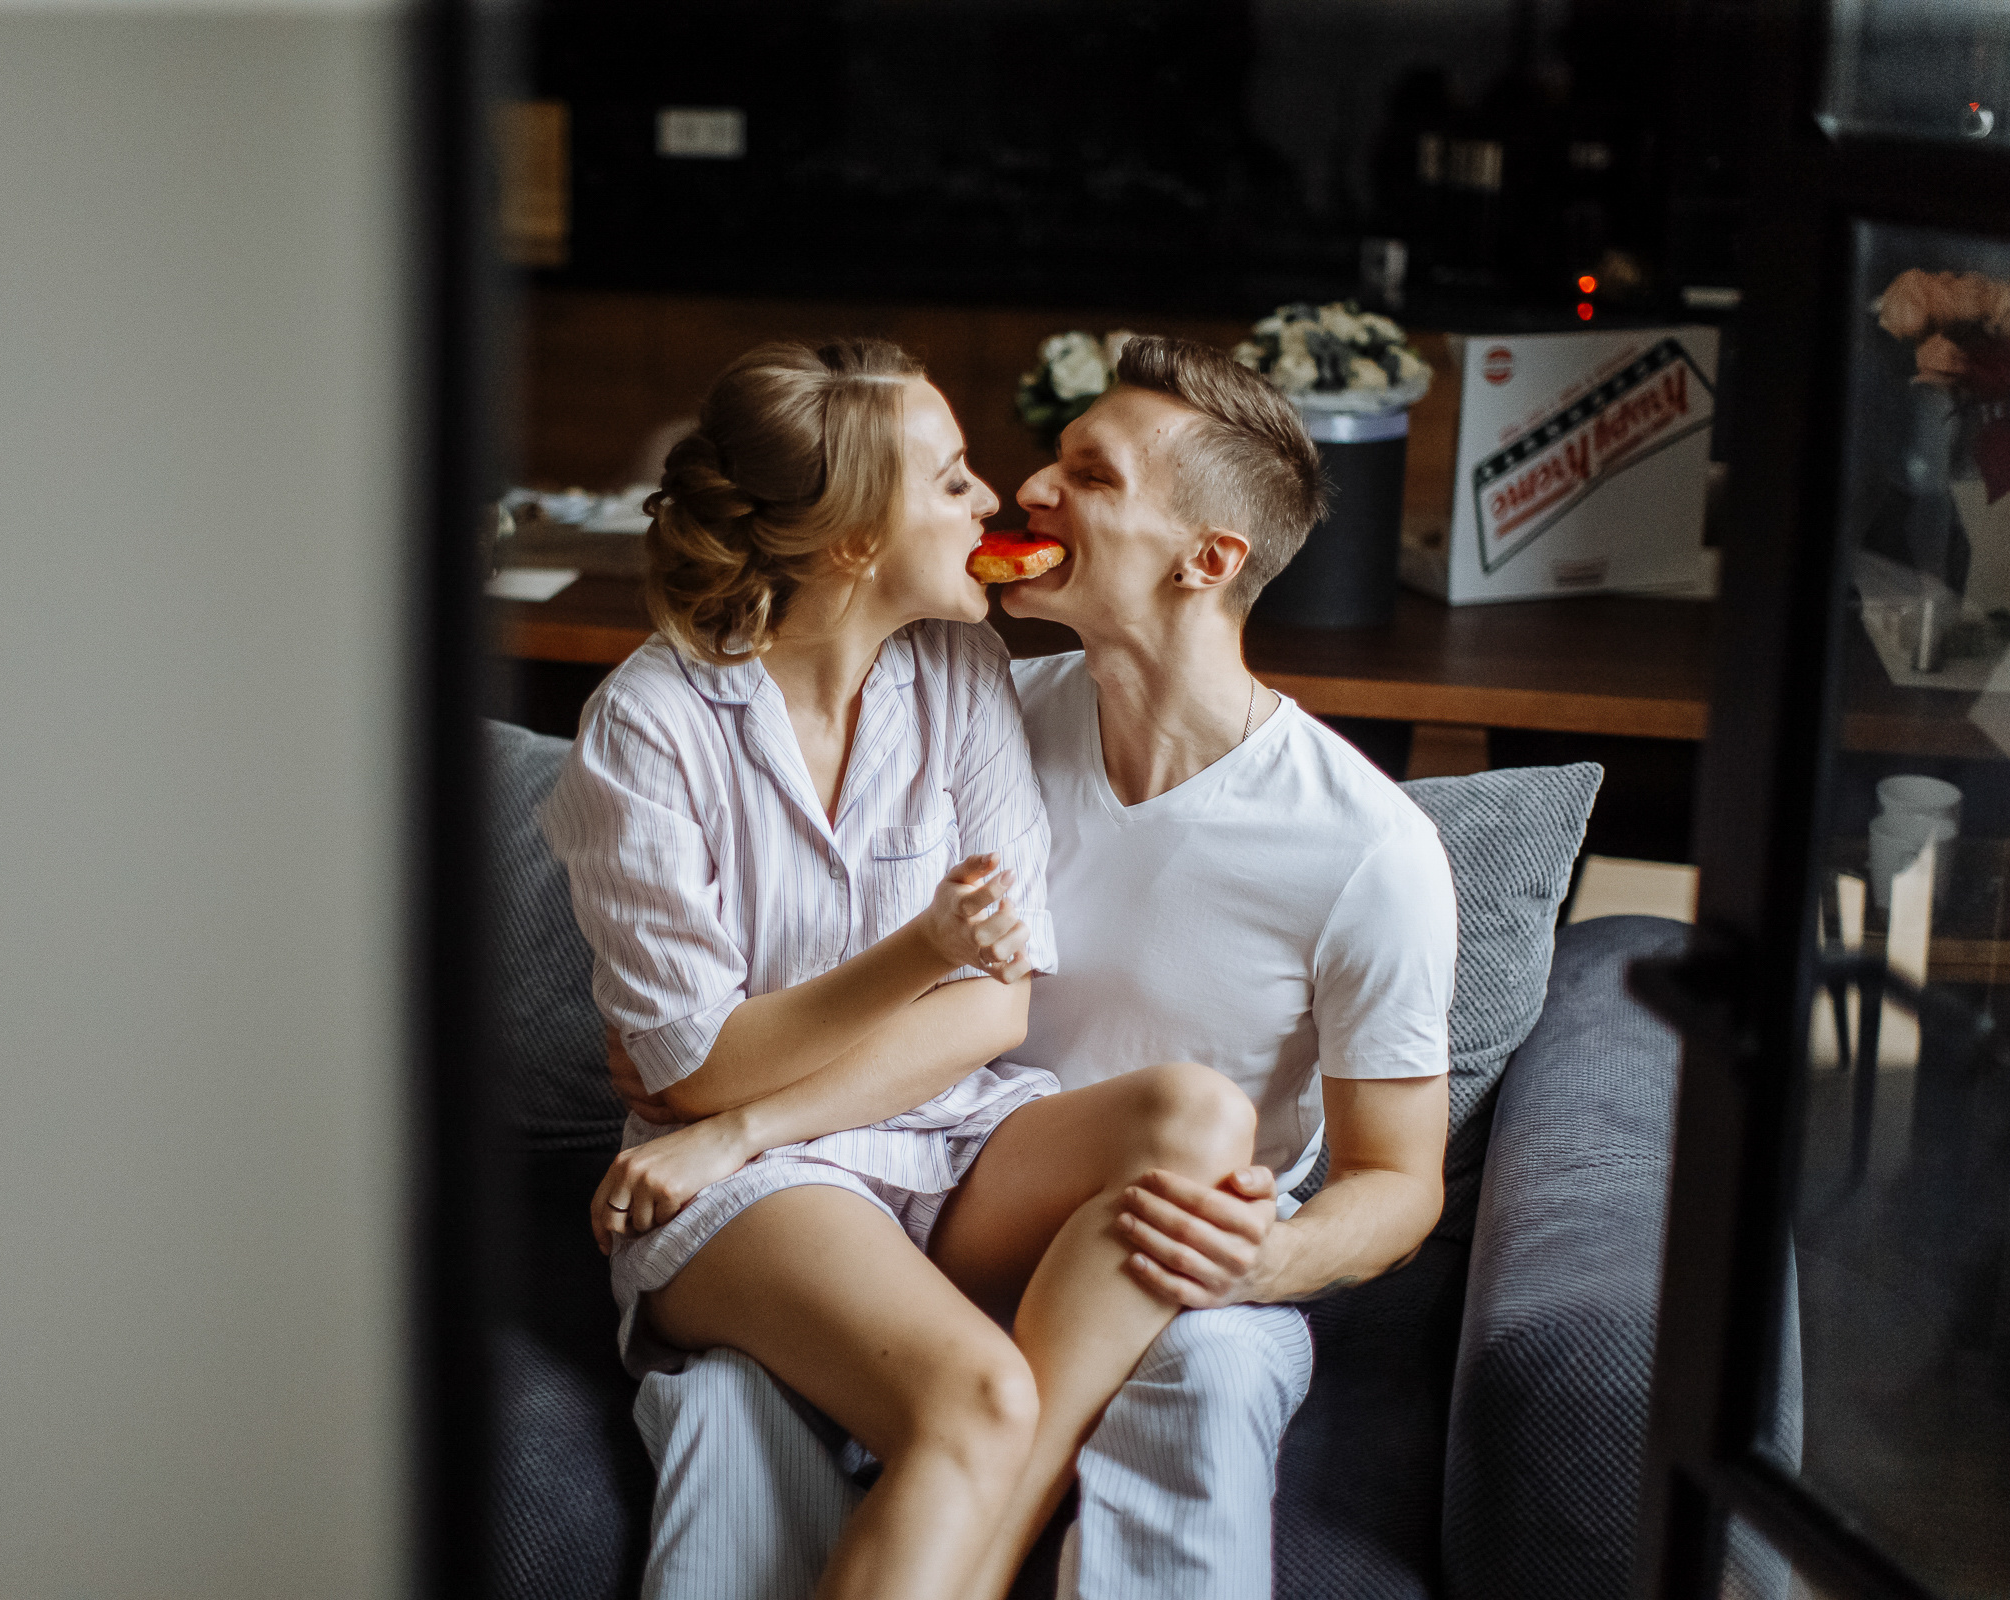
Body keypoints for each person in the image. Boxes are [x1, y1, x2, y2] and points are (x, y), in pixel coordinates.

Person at [619, 334, 1459, 1600]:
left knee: (1211, 1324)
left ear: (1209, 560)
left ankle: (977, 1525)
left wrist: (1263, 1259)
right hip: (925, 1178)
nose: (1029, 496)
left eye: (1091, 476)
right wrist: (706, 1076)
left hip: (1164, 1248)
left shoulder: (1369, 847)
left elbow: (1402, 1181)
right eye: (1047, 462)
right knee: (737, 1393)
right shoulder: (982, 699)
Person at [542, 338, 1259, 1600]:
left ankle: (939, 1492)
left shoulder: (960, 672)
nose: (997, 500)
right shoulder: (648, 727)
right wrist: (913, 954)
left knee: (1195, 1113)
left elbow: (998, 1004)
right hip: (749, 1196)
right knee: (977, 1395)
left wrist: (748, 1112)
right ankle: (947, 1437)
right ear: (853, 546)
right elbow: (692, 1067)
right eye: (950, 481)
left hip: (921, 1138)